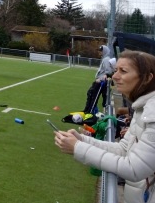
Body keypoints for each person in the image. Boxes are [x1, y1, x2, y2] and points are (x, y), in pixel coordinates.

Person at [54, 50, 155, 203]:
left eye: (123, 71)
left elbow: (134, 169)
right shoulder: (143, 108)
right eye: (116, 70)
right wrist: (82, 140)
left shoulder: (152, 112)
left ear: (147, 78)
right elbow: (122, 149)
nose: (114, 76)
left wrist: (77, 148)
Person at [83, 45, 115, 114]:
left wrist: (101, 78)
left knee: (93, 96)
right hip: (100, 81)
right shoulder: (104, 59)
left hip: (101, 82)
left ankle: (89, 111)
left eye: (101, 51)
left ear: (105, 51)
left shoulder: (106, 59)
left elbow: (108, 71)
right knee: (91, 94)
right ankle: (87, 110)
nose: (100, 52)